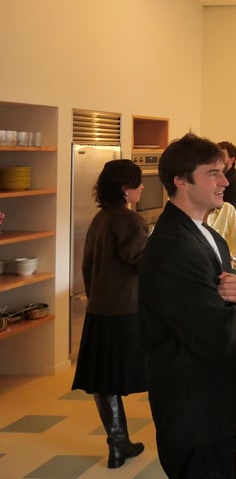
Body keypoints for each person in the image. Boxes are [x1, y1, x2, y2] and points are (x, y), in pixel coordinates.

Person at [139, 133, 236, 479]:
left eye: (223, 172)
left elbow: (235, 296)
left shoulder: (207, 234)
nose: (225, 182)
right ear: (181, 181)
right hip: (193, 410)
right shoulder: (174, 246)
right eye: (213, 173)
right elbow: (217, 334)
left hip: (214, 405)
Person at [72, 159, 150, 469]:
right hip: (126, 313)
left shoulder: (100, 219)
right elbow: (144, 263)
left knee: (105, 381)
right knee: (154, 372)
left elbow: (87, 267)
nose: (141, 187)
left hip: (99, 311)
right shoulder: (128, 221)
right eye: (136, 182)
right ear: (123, 188)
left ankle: (118, 443)